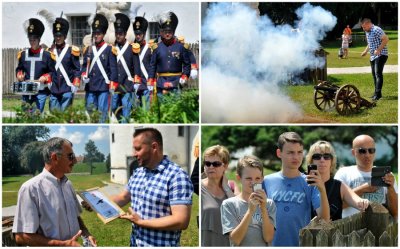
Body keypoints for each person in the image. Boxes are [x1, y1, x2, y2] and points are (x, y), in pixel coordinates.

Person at [109, 128, 193, 246]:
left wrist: (141, 222)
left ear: (154, 147)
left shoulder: (176, 176)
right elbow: (123, 197)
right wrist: (98, 202)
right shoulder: (138, 173)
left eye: (138, 149)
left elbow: (181, 221)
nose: (134, 154)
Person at [12, 137, 96, 246]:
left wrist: (86, 234)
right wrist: (62, 244)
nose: (75, 161)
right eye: (71, 156)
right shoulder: (30, 189)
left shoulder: (68, 184)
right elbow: (21, 236)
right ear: (55, 157)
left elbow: (75, 217)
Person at [263, 132, 330, 246]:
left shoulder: (310, 182)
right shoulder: (266, 181)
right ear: (279, 153)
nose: (296, 157)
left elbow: (324, 220)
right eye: (290, 153)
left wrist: (322, 190)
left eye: (299, 152)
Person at [334, 135, 398, 219]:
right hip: (349, 229)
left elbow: (395, 213)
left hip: (379, 228)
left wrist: (391, 188)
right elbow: (334, 207)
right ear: (353, 152)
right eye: (362, 151)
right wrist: (363, 189)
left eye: (371, 150)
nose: (367, 155)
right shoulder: (343, 173)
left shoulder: (387, 175)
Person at [306, 140, 369, 221]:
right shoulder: (303, 182)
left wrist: (363, 202)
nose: (322, 160)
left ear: (332, 161)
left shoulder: (339, 186)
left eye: (326, 156)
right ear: (311, 160)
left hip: (335, 233)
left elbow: (357, 201)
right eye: (317, 156)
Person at [221, 155, 276, 246]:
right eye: (248, 178)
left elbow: (268, 238)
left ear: (262, 178)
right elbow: (235, 240)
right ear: (239, 178)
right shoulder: (229, 204)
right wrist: (250, 211)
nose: (253, 182)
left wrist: (263, 208)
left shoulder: (269, 204)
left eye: (257, 178)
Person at [81, 13, 118, 123]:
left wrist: (112, 85)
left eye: (99, 33)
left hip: (103, 87)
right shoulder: (88, 49)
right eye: (95, 33)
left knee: (102, 114)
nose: (96, 36)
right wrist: (83, 76)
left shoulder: (109, 49)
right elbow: (84, 67)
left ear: (103, 34)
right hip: (90, 87)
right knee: (90, 112)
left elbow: (113, 69)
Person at [147, 11, 190, 98]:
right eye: (165, 31)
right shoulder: (157, 48)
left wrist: (185, 75)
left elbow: (187, 64)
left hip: (177, 82)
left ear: (173, 32)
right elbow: (152, 66)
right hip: (161, 83)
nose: (167, 34)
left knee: (176, 109)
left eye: (169, 31)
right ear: (162, 32)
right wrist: (150, 80)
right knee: (162, 109)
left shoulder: (181, 47)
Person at [16, 18, 54, 113]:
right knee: (25, 116)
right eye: (30, 39)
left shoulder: (47, 55)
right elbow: (19, 68)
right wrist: (19, 74)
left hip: (40, 92)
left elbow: (52, 71)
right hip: (26, 91)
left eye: (34, 39)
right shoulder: (23, 54)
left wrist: (45, 77)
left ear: (39, 40)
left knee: (36, 117)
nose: (32, 42)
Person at [201, 145, 235, 246]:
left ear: (225, 166)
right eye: (207, 163)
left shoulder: (232, 186)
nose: (211, 167)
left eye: (216, 164)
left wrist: (226, 188)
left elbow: (239, 212)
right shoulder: (199, 186)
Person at [111, 13, 141, 123]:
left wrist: (137, 82)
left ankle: (124, 123)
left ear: (125, 34)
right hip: (115, 85)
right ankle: (120, 122)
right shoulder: (112, 49)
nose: (118, 36)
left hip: (127, 85)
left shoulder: (132, 48)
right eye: (117, 33)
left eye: (120, 33)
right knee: (114, 108)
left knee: (126, 109)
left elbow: (137, 67)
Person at [49, 17, 81, 112]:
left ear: (65, 36)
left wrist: (75, 84)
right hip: (54, 88)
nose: (58, 38)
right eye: (56, 35)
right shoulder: (50, 51)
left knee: (65, 117)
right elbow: (48, 69)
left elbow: (77, 69)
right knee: (54, 117)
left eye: (60, 36)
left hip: (67, 87)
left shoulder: (72, 50)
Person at [360, 18, 389, 101]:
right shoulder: (367, 31)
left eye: (364, 27)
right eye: (363, 27)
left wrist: (379, 49)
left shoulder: (377, 29)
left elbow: (386, 39)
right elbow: (370, 43)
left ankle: (378, 94)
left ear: (368, 24)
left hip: (381, 54)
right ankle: (376, 94)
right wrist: (365, 51)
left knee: (378, 73)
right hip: (373, 56)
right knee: (374, 74)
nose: (363, 29)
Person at [133, 16, 152, 109]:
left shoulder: (150, 48)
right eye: (136, 34)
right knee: (135, 113)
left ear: (144, 34)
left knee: (146, 111)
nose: (138, 36)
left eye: (140, 34)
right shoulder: (130, 48)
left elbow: (153, 66)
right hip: (134, 85)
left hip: (146, 85)